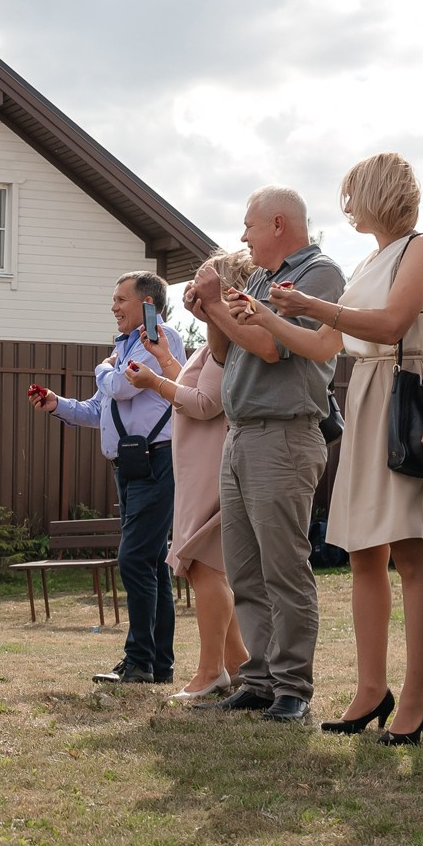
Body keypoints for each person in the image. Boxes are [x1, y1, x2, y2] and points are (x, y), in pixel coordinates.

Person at [267, 154, 423, 744]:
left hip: (401, 395)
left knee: (409, 551)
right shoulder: (369, 259)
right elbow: (324, 347)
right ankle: (372, 688)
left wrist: (314, 304)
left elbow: (394, 324)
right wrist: (267, 317)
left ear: (375, 194)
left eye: (352, 195)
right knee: (363, 553)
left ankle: (416, 700)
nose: (345, 208)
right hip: (365, 392)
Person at [197, 188, 346, 722]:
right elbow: (226, 350)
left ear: (279, 223)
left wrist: (217, 302)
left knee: (284, 567)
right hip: (242, 435)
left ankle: (292, 686)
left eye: (249, 226)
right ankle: (259, 679)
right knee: (244, 568)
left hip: (283, 435)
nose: (242, 237)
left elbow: (271, 347)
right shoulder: (259, 279)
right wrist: (211, 313)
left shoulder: (318, 275)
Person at [28, 272, 186, 686]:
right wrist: (56, 404)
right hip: (131, 466)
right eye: (113, 300)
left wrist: (103, 366)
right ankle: (158, 664)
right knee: (150, 562)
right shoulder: (125, 347)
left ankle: (138, 661)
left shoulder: (160, 339)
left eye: (121, 299)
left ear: (147, 304)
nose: (113, 307)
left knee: (135, 558)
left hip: (157, 460)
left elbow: (118, 387)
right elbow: (98, 409)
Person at [123, 252, 249, 701]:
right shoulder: (213, 340)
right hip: (197, 466)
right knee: (203, 565)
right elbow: (199, 391)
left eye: (199, 281)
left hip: (211, 467)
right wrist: (163, 361)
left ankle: (211, 669)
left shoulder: (228, 340)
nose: (190, 291)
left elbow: (204, 405)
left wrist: (154, 384)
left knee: (204, 566)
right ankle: (238, 667)